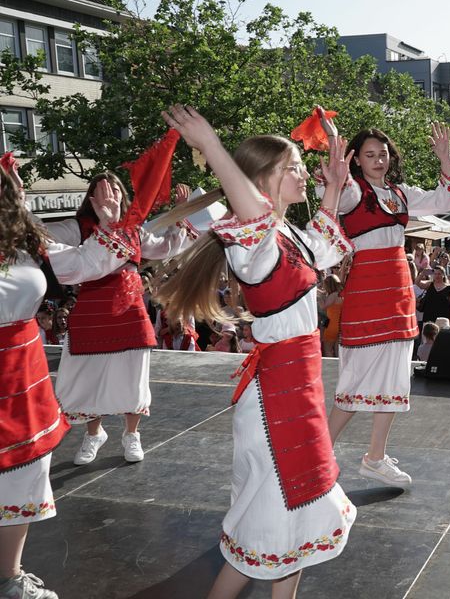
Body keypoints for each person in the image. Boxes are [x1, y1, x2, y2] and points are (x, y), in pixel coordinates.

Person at [157, 105, 356, 599]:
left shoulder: (288, 238)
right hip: (275, 399)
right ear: (262, 180)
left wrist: (333, 183)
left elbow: (324, 245)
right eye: (292, 167)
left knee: (298, 523)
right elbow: (251, 208)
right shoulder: (256, 243)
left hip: (297, 388)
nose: (302, 173)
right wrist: (212, 147)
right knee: (268, 521)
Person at [0, 160, 134, 599]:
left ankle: (9, 577)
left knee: (24, 473)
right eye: (11, 187)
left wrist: (112, 224)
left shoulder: (25, 243)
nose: (15, 192)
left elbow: (83, 263)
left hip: (24, 373)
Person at [324, 121, 450, 488]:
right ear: (355, 159)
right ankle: (319, 454)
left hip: (398, 289)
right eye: (370, 154)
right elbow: (331, 198)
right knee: (356, 377)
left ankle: (375, 457)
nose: (378, 160)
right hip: (367, 291)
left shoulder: (399, 192)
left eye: (383, 153)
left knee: (395, 376)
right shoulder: (351, 191)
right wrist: (333, 155)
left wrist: (445, 158)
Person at [43, 169, 196, 466]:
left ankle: (131, 434)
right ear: (92, 197)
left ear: (122, 195)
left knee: (132, 375)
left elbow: (165, 247)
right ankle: (94, 433)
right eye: (101, 190)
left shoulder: (134, 229)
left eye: (113, 188)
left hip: (130, 309)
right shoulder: (77, 227)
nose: (109, 194)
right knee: (90, 375)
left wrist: (179, 215)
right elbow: (41, 238)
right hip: (90, 309)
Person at [318, 274, 343, 357]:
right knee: (336, 350)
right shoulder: (339, 294)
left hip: (331, 325)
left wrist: (319, 299)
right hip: (338, 324)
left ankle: (330, 369)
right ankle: (338, 369)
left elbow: (323, 306)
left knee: (327, 349)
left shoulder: (333, 295)